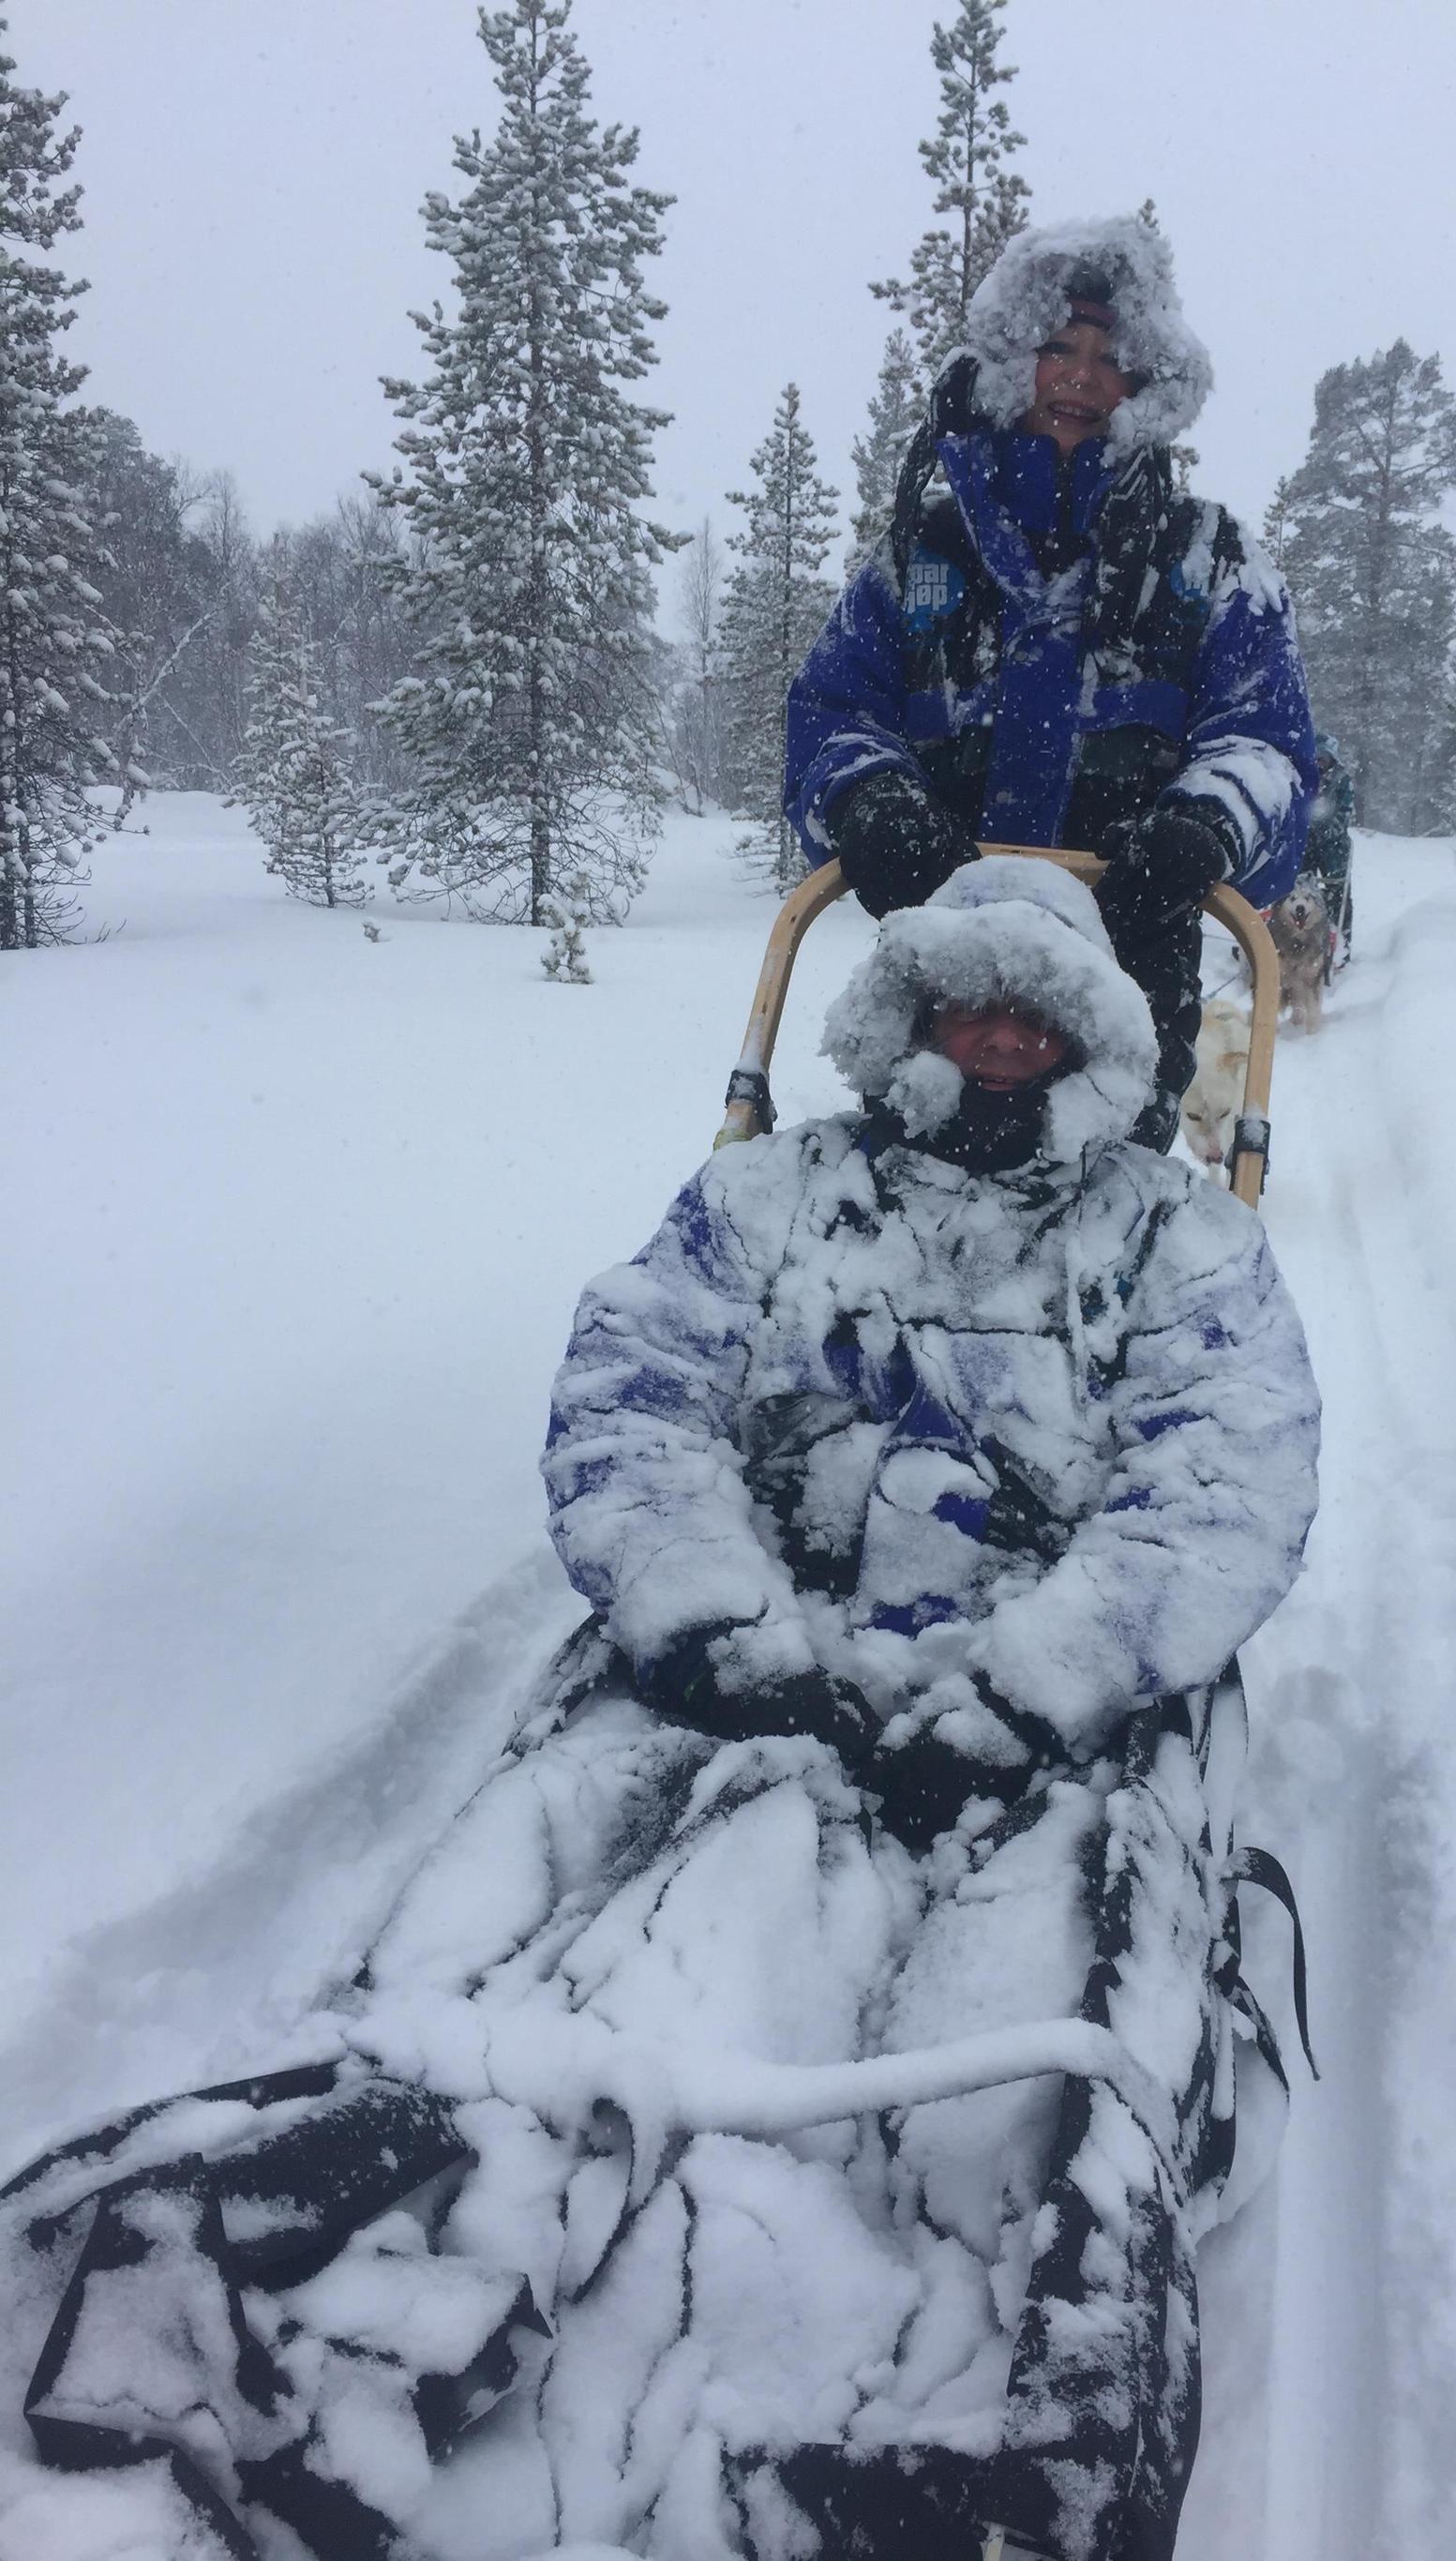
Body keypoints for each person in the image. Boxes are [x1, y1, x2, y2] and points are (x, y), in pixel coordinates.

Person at [3, 863, 1320, 2561]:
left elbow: (1220, 1492)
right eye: (959, 1003)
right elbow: (633, 1403)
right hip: (745, 1673)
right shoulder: (766, 1196)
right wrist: (725, 1630)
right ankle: (404, 2250)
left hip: (1039, 1713)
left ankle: (944, 2386)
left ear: (1090, 1040)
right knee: (543, 1949)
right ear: (904, 1019)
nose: (994, 1039)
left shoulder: (1175, 1237)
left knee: (1024, 2026)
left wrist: (1020, 1688)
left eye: (1033, 1013)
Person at [787, 214, 1317, 1152]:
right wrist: (869, 803)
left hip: (1126, 980)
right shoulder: (921, 557)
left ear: (1145, 384)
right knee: (905, 1201)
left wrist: (1200, 825)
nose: (1079, 376)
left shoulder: (1206, 561)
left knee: (1103, 1215)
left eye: (1109, 357)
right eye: (1055, 347)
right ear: (1008, 363)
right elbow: (835, 708)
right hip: (936, 976)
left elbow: (1263, 739)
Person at [1299, 733, 1355, 963]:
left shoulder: (1342, 780)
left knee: (1337, 893)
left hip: (1334, 847)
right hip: (1305, 844)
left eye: (1323, 757)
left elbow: (1343, 815)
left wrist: (1321, 831)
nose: (1319, 762)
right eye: (1316, 757)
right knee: (1299, 890)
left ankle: (1341, 942)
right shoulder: (1304, 776)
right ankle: (1297, 937)